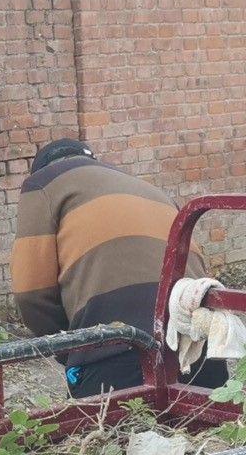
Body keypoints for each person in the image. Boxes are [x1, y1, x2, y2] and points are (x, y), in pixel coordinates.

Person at [13, 139, 228, 396]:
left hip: (116, 362)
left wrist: (72, 347)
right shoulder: (149, 189)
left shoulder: (43, 183)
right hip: (202, 357)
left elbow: (31, 296)